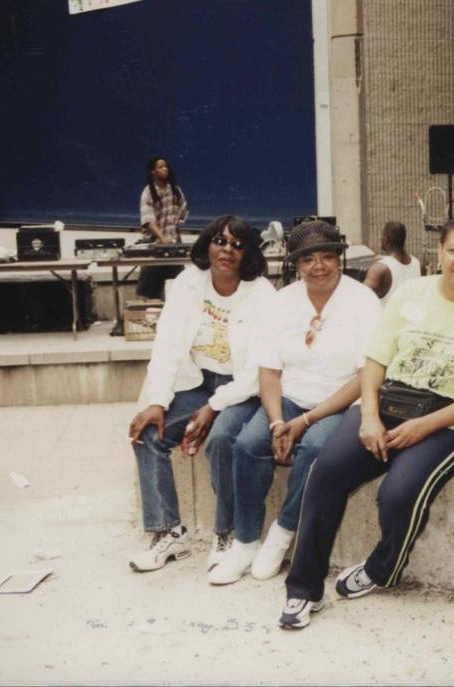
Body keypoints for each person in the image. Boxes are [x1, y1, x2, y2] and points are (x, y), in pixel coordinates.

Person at [278, 213, 454, 630]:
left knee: (398, 494)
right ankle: (303, 590)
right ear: (439, 252)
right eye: (453, 250)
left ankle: (382, 568)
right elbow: (375, 359)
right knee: (325, 473)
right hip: (389, 399)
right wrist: (370, 417)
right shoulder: (412, 291)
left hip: (449, 417)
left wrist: (422, 427)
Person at [207, 221, 381, 585]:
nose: (318, 267)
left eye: (328, 257)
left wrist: (306, 421)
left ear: (340, 259)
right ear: (296, 266)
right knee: (248, 444)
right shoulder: (283, 301)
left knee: (316, 450)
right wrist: (275, 423)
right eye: (308, 260)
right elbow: (269, 370)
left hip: (340, 403)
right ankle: (245, 541)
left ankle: (282, 533)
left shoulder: (363, 300)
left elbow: (366, 375)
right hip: (288, 399)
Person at [128, 215, 274, 573]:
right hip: (195, 382)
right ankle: (168, 531)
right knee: (148, 434)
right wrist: (158, 402)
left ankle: (225, 533)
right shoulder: (188, 283)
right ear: (207, 244)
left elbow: (259, 370)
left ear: (249, 253)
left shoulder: (262, 294)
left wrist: (214, 407)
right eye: (219, 241)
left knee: (222, 439)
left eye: (238, 245)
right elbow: (168, 345)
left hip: (242, 389)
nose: (227, 251)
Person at [137, 156, 189, 300]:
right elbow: (148, 220)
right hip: (155, 247)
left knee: (179, 287)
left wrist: (175, 224)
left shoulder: (175, 190)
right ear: (153, 171)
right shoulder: (148, 192)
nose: (164, 169)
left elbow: (183, 209)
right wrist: (161, 237)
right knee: (147, 291)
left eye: (165, 166)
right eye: (160, 167)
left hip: (173, 246)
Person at [363, 220, 421, 301]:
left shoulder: (380, 269)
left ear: (385, 239)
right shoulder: (417, 264)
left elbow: (360, 297)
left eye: (381, 237)